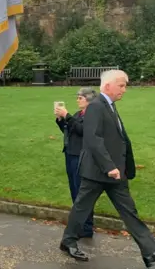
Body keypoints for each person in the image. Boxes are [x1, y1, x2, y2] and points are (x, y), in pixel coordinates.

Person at [59, 70, 155, 267]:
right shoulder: (97, 106)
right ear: (107, 86)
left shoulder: (109, 105)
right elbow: (93, 140)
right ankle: (68, 241)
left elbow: (117, 138)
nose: (124, 89)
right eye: (121, 85)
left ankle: (152, 252)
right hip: (98, 171)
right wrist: (109, 167)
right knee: (82, 207)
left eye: (125, 85)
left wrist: (121, 166)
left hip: (116, 172)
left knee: (129, 212)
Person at [54, 87, 97, 238]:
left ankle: (86, 227)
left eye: (80, 97)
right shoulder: (79, 114)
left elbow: (82, 130)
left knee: (82, 192)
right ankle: (80, 225)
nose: (78, 100)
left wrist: (67, 115)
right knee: (74, 190)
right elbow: (70, 130)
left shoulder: (93, 114)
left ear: (89, 99)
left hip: (82, 156)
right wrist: (61, 120)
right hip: (71, 154)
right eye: (77, 97)